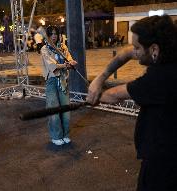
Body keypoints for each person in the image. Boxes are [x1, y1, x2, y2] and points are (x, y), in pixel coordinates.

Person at [86, 15, 177, 190]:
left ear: (154, 49)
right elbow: (126, 53)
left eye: (137, 47)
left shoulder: (161, 78)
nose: (133, 52)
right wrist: (101, 77)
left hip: (165, 160)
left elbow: (114, 95)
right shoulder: (170, 48)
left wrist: (94, 96)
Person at [41, 26, 77, 146]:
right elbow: (52, 66)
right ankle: (56, 136)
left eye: (56, 33)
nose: (54, 36)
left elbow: (69, 58)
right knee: (54, 109)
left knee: (66, 110)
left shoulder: (63, 47)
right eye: (51, 34)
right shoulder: (44, 49)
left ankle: (65, 134)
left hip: (63, 80)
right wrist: (65, 65)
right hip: (51, 81)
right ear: (48, 36)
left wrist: (71, 62)